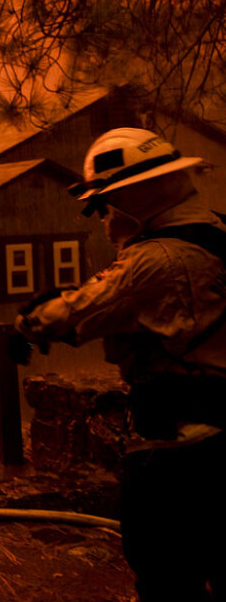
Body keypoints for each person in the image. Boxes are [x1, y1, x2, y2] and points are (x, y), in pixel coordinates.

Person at [16, 128, 224, 601]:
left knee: (167, 577)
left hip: (181, 451)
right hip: (219, 431)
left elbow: (71, 316)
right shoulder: (218, 232)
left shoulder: (153, 260)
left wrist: (29, 319)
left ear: (131, 198)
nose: (105, 220)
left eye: (105, 206)